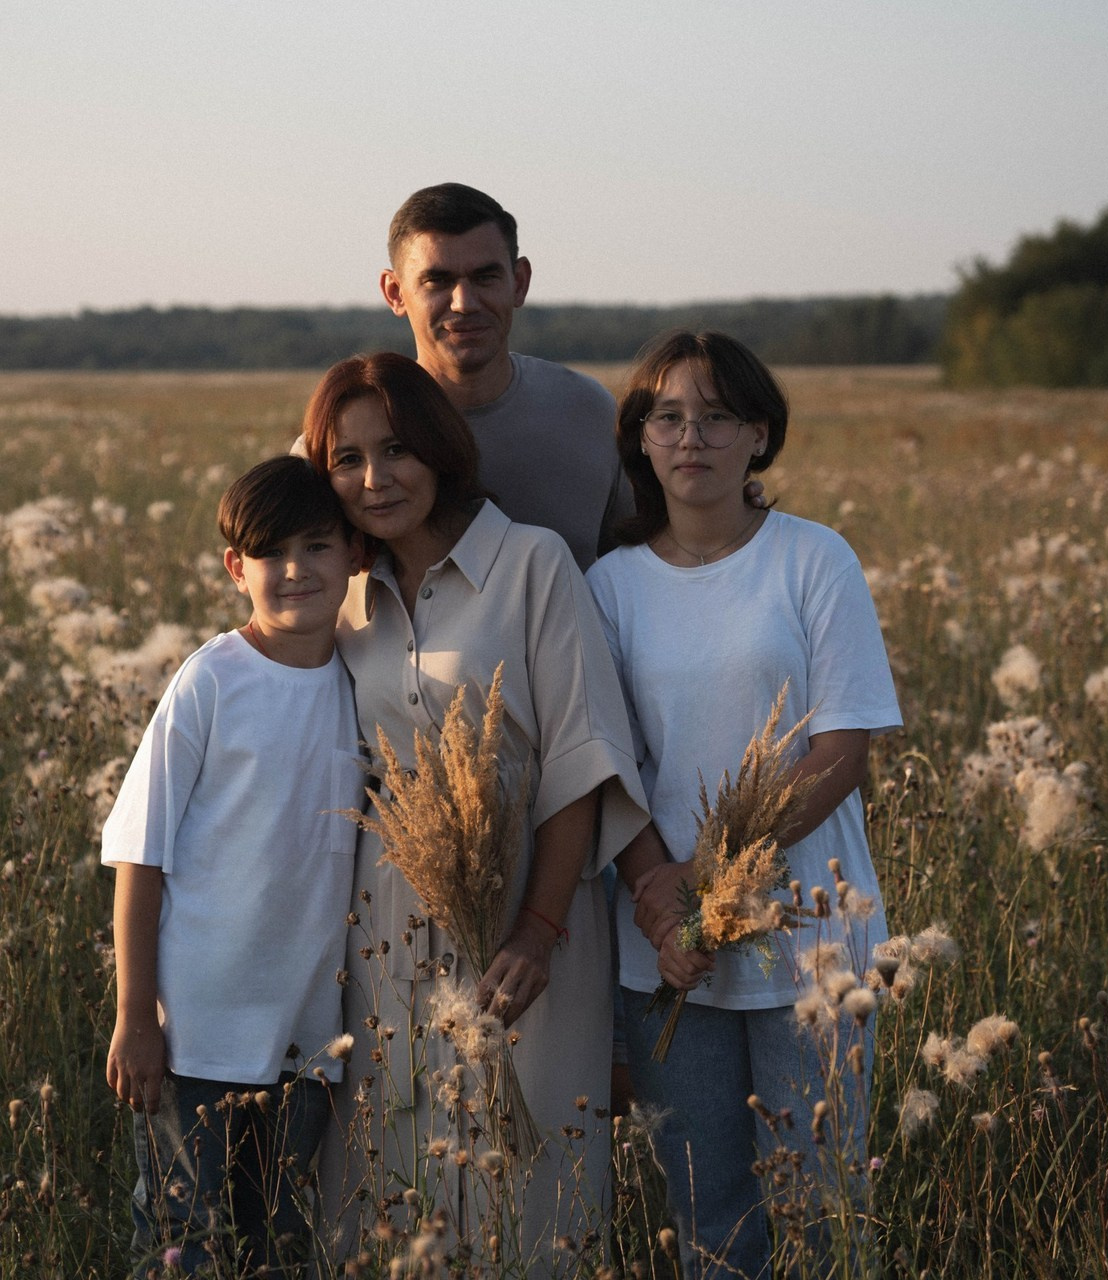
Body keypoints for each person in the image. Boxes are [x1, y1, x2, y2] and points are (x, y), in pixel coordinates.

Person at [301, 351, 651, 1265]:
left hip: (531, 923)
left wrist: (536, 931)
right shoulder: (342, 595)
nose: (375, 479)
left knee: (531, 1180)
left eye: (397, 450)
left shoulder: (532, 564)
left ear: (441, 449)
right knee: (395, 1168)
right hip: (386, 932)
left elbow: (579, 759)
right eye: (346, 459)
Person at [586, 331, 902, 1278]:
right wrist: (664, 901)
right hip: (667, 956)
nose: (692, 438)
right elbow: (608, 763)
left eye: (717, 416)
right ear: (641, 438)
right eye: (668, 417)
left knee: (822, 1209)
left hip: (812, 940)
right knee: (710, 1221)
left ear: (759, 434)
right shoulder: (609, 585)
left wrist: (710, 879)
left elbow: (841, 750)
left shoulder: (814, 559)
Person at [102, 456, 366, 1278]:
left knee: (276, 1241)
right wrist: (136, 1015)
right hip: (195, 1034)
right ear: (234, 567)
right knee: (182, 1239)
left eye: (317, 546)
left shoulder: (362, 685)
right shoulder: (212, 679)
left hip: (307, 1038)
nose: (295, 570)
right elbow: (140, 854)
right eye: (270, 553)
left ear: (354, 553)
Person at [378, 182, 628, 571]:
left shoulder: (589, 413)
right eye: (437, 281)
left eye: (485, 277)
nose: (464, 303)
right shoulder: (356, 430)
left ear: (519, 282)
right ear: (395, 292)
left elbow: (644, 567)